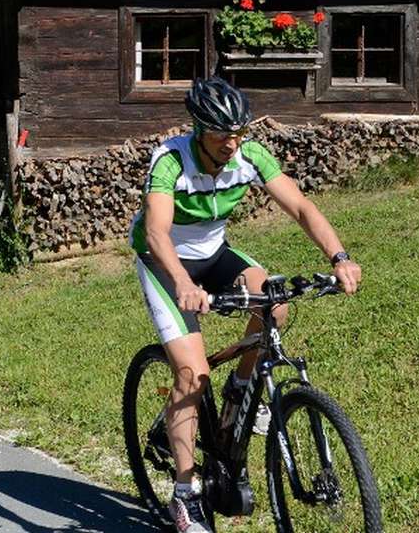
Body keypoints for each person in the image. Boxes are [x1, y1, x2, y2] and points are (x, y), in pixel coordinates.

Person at [130, 77, 363, 533]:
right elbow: (157, 232)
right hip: (164, 261)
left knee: (275, 305)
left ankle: (240, 390)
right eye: (222, 134)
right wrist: (182, 283)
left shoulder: (248, 155)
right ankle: (185, 495)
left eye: (239, 132)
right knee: (191, 375)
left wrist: (339, 257)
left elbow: (300, 207)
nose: (232, 143)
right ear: (199, 129)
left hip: (215, 252)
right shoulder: (171, 159)